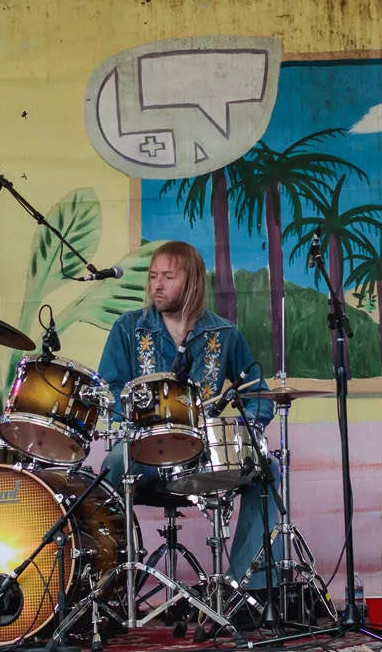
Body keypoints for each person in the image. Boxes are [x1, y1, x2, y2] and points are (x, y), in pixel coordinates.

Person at [97, 241, 280, 592]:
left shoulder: (224, 334)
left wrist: (246, 429)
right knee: (111, 465)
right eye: (153, 276)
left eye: (168, 277)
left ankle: (247, 588)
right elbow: (109, 388)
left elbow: (258, 394)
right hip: (144, 455)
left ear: (192, 282)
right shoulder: (128, 328)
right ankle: (108, 584)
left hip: (203, 458)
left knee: (266, 468)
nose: (156, 285)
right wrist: (135, 419)